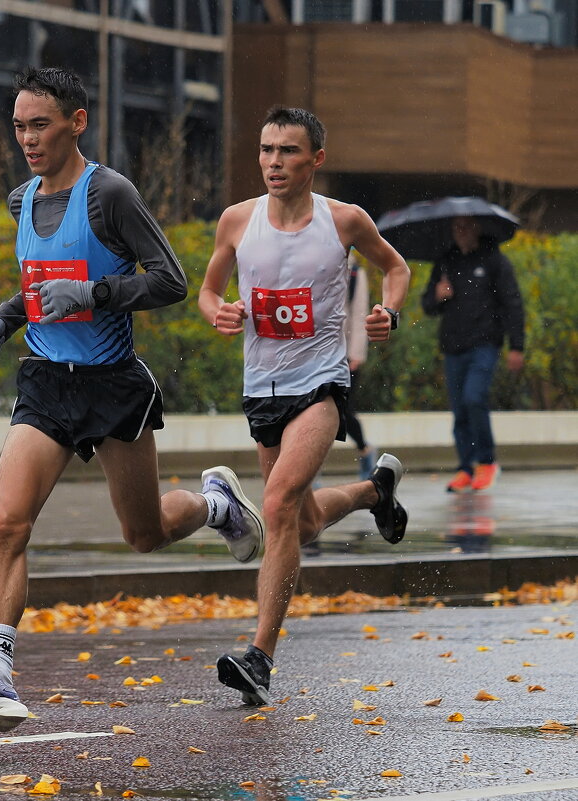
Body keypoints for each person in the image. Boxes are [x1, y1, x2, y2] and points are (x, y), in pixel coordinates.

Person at [0, 67, 266, 733]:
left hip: (114, 385)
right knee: (6, 521)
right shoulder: (19, 199)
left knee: (143, 534)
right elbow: (39, 280)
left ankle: (214, 504)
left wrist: (94, 296)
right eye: (20, 126)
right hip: (47, 383)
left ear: (76, 121)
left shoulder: (109, 193)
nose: (28, 138)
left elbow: (170, 279)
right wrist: (8, 315)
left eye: (40, 125)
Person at [198, 106, 411, 706]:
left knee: (278, 502)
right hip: (260, 387)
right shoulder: (237, 221)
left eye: (288, 151)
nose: (274, 162)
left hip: (320, 385)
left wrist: (387, 313)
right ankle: (375, 492)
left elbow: (397, 268)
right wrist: (217, 311)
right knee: (303, 521)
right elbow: (209, 290)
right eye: (266, 150)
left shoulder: (343, 221)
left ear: (315, 159)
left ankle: (259, 658)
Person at [422, 215, 525, 493]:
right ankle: (465, 467)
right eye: (457, 227)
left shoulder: (494, 261)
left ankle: (487, 462)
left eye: (466, 226)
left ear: (477, 228)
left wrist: (517, 345)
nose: (461, 231)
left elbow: (512, 302)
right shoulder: (445, 261)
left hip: (485, 343)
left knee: (474, 397)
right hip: (453, 346)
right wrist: (438, 295)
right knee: (460, 411)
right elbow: (427, 305)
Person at [344, 248, 377, 480]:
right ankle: (309, 477)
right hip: (314, 354)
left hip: (344, 354)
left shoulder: (355, 274)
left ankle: (365, 450)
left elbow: (359, 314)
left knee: (342, 411)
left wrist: (355, 354)